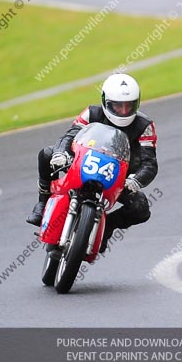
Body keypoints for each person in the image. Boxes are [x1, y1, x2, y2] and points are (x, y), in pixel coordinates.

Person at [26, 73, 158, 252]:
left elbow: (150, 163)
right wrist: (61, 154)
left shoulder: (144, 125)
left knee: (141, 208)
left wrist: (136, 181)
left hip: (119, 178)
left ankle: (107, 227)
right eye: (117, 106)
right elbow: (70, 135)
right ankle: (42, 202)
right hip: (83, 161)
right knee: (46, 154)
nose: (124, 111)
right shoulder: (92, 113)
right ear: (106, 101)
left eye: (129, 106)